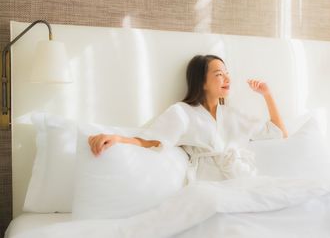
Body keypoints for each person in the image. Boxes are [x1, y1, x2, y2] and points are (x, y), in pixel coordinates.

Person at [89, 55, 288, 182]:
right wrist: (118, 139)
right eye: (220, 74)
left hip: (243, 180)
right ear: (202, 82)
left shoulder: (234, 115)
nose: (227, 79)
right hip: (209, 186)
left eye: (227, 73)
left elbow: (279, 133)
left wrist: (267, 95)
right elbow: (151, 140)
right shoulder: (183, 112)